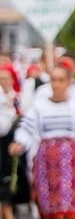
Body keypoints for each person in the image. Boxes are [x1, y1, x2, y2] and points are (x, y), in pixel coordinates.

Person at [9, 66, 75, 219]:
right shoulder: (39, 106)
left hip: (70, 162)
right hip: (47, 162)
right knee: (49, 203)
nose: (56, 84)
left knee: (68, 201)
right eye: (53, 80)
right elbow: (27, 128)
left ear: (69, 83)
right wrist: (19, 143)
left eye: (61, 80)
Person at [0, 66, 28, 219]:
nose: (3, 81)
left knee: (13, 181)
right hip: (2, 147)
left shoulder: (18, 97)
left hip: (15, 146)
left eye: (6, 78)